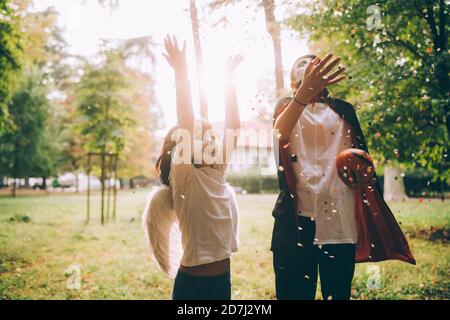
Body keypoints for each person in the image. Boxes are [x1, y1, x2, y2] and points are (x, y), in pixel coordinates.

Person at [271, 53, 415, 300]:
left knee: (337, 294)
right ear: (293, 79)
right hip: (296, 223)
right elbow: (279, 134)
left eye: (312, 62)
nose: (307, 65)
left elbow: (363, 162)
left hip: (339, 219)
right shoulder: (286, 106)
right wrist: (303, 94)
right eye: (301, 63)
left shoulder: (344, 110)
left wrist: (363, 175)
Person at [143, 35, 243, 300]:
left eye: (212, 134)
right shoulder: (185, 174)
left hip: (222, 282)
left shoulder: (217, 169)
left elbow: (234, 127)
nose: (211, 138)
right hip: (192, 287)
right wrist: (182, 73)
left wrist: (229, 80)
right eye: (203, 134)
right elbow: (186, 123)